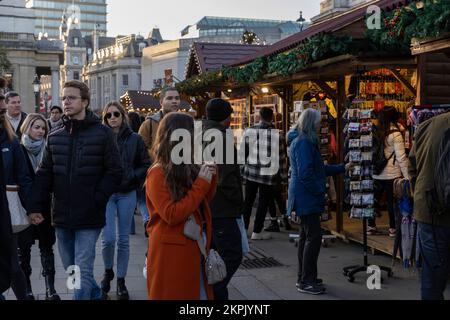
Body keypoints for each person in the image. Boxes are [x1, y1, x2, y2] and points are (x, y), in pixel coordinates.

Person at [29, 80, 123, 300]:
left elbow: (115, 171)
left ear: (85, 102)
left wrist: (97, 198)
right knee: (72, 269)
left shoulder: (103, 134)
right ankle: (96, 295)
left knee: (83, 269)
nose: (66, 102)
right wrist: (34, 206)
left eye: (71, 98)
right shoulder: (54, 136)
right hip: (61, 215)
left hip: (89, 214)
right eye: (64, 98)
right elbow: (44, 174)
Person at [146, 112, 217, 300]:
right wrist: (202, 182)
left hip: (194, 244)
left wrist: (211, 177)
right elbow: (171, 214)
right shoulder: (157, 173)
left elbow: (201, 202)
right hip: (172, 251)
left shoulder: (187, 164)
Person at [288, 108, 348, 295]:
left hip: (304, 195)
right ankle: (306, 280)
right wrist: (320, 192)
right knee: (312, 237)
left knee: (307, 237)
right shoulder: (304, 142)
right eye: (318, 121)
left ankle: (305, 277)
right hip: (306, 197)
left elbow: (317, 169)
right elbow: (307, 173)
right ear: (311, 123)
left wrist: (341, 168)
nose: (321, 124)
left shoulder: (303, 140)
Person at [100, 102, 150, 300]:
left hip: (127, 192)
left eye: (116, 114)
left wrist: (131, 175)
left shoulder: (135, 138)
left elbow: (145, 164)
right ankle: (107, 271)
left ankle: (121, 281)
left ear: (123, 116)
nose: (112, 118)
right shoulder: (100, 137)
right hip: (107, 194)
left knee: (123, 240)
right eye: (108, 115)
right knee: (108, 238)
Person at [202, 98, 244, 300]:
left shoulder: (201, 133)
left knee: (215, 252)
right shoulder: (219, 137)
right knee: (232, 253)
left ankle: (216, 292)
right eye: (230, 115)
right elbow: (225, 177)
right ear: (225, 118)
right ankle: (216, 288)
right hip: (222, 206)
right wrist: (238, 200)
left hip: (208, 205)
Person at [17, 113, 60, 300]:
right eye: (36, 127)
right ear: (27, 128)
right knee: (23, 250)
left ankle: (50, 289)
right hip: (24, 207)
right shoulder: (18, 149)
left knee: (46, 248)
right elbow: (19, 179)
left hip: (44, 206)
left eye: (43, 128)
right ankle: (27, 288)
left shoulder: (49, 149)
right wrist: (30, 208)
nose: (41, 131)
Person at [408, 111, 450, 300]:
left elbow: (413, 169)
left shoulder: (427, 126)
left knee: (432, 278)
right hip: (432, 212)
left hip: (430, 211)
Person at [0, 93, 33, 300]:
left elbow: (24, 177)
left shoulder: (12, 142)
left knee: (11, 263)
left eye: (2, 112)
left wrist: (33, 209)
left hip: (6, 212)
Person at [241, 107, 288, 240]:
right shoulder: (277, 135)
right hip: (267, 175)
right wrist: (284, 178)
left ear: (259, 116)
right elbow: (281, 159)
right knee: (263, 202)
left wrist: (241, 171)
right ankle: (257, 231)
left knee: (248, 201)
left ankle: (244, 230)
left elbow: (242, 154)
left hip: (250, 172)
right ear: (272, 117)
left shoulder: (249, 131)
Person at [138, 87, 180, 235]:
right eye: (170, 98)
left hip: (178, 174)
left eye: (176, 98)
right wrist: (158, 157)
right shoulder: (149, 123)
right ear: (161, 101)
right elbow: (141, 147)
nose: (174, 101)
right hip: (156, 172)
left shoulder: (184, 121)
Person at [369, 106, 410, 237]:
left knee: (374, 199)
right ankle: (392, 228)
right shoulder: (396, 133)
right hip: (392, 173)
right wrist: (408, 175)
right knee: (392, 202)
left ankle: (371, 226)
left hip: (376, 171)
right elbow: (401, 157)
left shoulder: (375, 131)